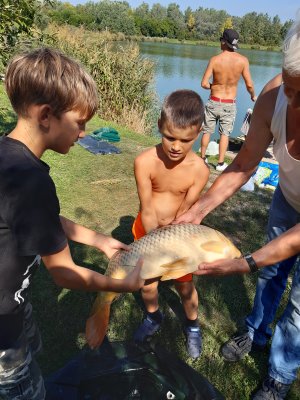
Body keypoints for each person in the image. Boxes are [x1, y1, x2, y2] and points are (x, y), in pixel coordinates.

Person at [0, 47, 144, 400]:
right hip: (2, 325)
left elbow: (41, 219)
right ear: (47, 115)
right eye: (80, 123)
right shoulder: (32, 180)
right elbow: (63, 273)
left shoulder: (8, 157)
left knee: (32, 349)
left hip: (12, 304)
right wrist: (122, 285)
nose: (83, 133)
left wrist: (100, 241)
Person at [174, 15, 300, 400]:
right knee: (271, 275)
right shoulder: (273, 95)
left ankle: (279, 373)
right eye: (291, 88)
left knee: (299, 305)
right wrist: (199, 208)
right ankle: (255, 331)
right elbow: (244, 163)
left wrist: (245, 261)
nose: (292, 100)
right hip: (288, 198)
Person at [132, 90, 210, 358]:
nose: (176, 146)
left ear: (198, 132)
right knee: (147, 283)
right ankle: (153, 317)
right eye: (169, 137)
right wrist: (155, 244)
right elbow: (147, 207)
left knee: (186, 287)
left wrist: (173, 245)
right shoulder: (144, 162)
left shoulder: (200, 170)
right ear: (159, 125)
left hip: (178, 235)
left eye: (185, 140)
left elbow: (187, 211)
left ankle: (193, 325)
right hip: (147, 229)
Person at [200, 28, 256, 171]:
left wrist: (214, 86)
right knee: (225, 134)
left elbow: (204, 84)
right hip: (229, 104)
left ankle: (202, 158)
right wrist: (252, 95)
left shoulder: (215, 60)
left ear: (224, 42)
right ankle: (219, 164)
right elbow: (249, 84)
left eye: (221, 40)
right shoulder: (243, 61)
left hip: (213, 101)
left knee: (207, 130)